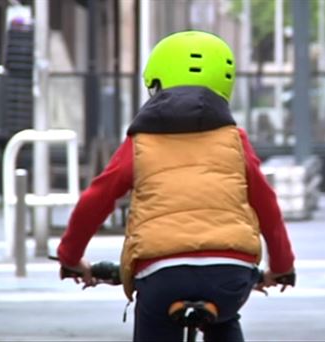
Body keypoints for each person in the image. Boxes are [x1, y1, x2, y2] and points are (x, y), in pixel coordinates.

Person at [57, 31, 296, 342]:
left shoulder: (140, 143)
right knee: (223, 318)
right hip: (229, 271)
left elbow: (97, 199)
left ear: (156, 83)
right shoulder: (236, 141)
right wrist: (281, 265)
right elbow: (267, 206)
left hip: (161, 273)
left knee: (153, 316)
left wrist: (70, 256)